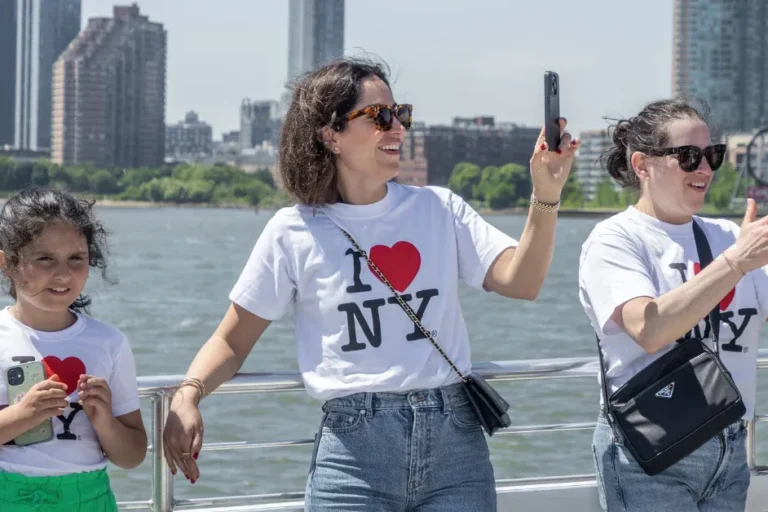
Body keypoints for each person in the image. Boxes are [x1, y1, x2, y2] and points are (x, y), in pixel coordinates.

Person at [163, 56, 579, 511]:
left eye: (401, 115)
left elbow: (522, 280)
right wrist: (188, 394)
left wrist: (546, 194)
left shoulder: (438, 209)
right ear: (330, 134)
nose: (398, 129)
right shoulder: (294, 231)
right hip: (354, 454)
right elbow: (232, 340)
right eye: (379, 117)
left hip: (455, 446)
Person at [579, 98, 768, 511]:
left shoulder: (728, 234)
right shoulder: (616, 240)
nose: (704, 169)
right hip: (652, 452)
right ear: (642, 164)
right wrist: (736, 262)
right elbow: (650, 329)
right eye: (688, 156)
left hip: (730, 444)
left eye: (711, 155)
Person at [0, 187, 147, 511]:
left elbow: (133, 455)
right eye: (44, 258)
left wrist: (105, 420)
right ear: (7, 263)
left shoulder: (109, 343)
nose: (63, 273)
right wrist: (21, 415)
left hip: (90, 499)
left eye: (76, 258)